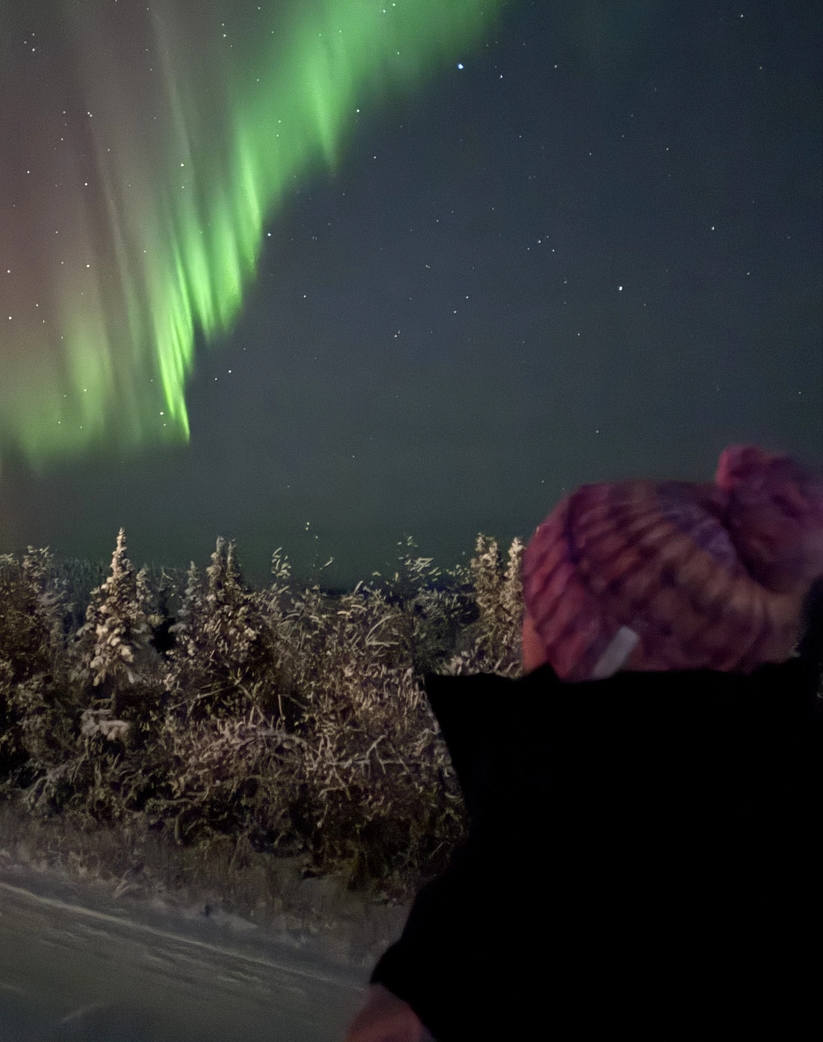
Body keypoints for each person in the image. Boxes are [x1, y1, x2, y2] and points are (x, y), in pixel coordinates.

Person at [344, 445, 823, 1041]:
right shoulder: (757, 816)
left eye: (539, 606)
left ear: (598, 647)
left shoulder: (563, 864)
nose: (525, 623)